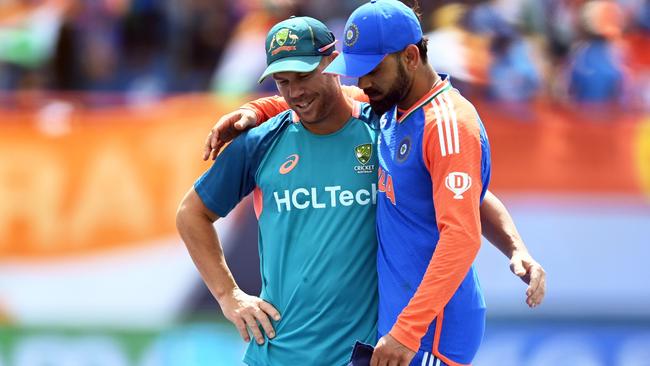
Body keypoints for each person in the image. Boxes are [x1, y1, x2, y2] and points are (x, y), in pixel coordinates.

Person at [191, 9, 546, 366]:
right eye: (283, 81)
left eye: (373, 71)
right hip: (376, 336)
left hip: (427, 334)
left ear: (410, 57)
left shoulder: (440, 122)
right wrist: (260, 108)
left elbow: (462, 231)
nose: (364, 83)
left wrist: (407, 332)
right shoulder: (390, 111)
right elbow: (327, 100)